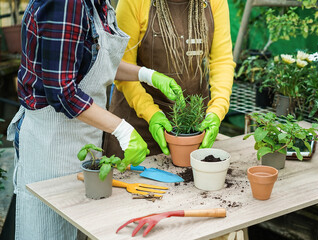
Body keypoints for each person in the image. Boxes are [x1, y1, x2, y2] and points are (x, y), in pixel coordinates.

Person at [6, 0, 182, 239]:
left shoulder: (96, 5)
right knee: (47, 229)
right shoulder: (65, 4)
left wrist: (146, 75)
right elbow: (61, 91)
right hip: (51, 143)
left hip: (83, 134)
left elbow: (92, 61)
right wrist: (121, 128)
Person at [103, 0, 236, 158]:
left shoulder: (215, 2)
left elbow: (222, 62)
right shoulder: (134, 2)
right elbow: (121, 66)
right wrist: (150, 113)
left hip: (192, 130)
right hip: (136, 132)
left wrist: (217, 110)